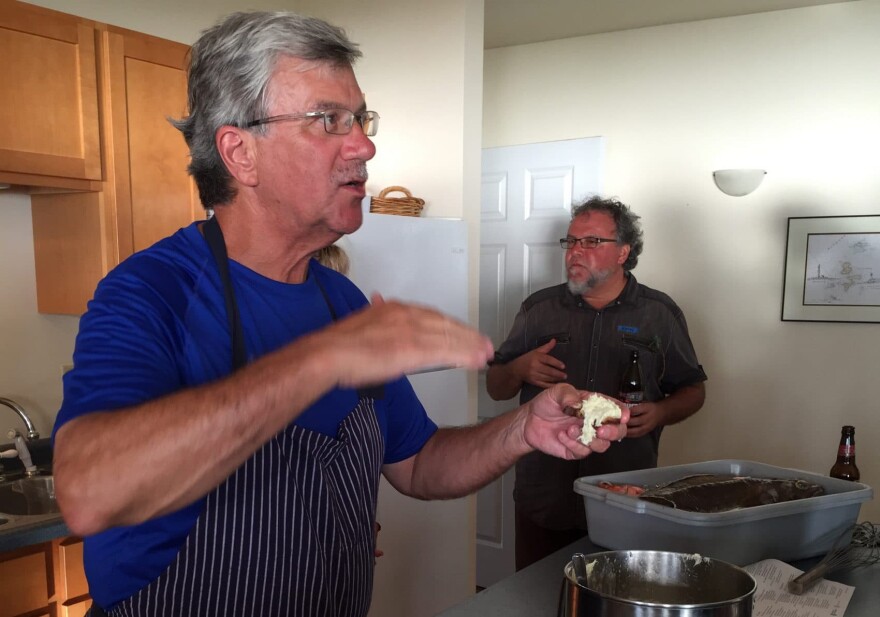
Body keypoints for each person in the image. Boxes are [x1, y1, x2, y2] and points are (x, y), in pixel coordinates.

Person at [50, 12, 629, 617]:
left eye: (360, 119)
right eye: (328, 121)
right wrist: (323, 359)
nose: (365, 145)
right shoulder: (150, 293)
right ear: (239, 153)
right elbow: (88, 496)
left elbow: (419, 464)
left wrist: (523, 429)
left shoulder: (340, 301)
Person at [486, 196, 706, 571]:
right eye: (571, 241)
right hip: (544, 494)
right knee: (533, 599)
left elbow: (693, 390)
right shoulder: (538, 310)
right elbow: (496, 386)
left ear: (623, 252)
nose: (575, 252)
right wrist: (519, 369)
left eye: (591, 242)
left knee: (615, 598)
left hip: (623, 495)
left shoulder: (660, 314)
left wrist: (661, 412)